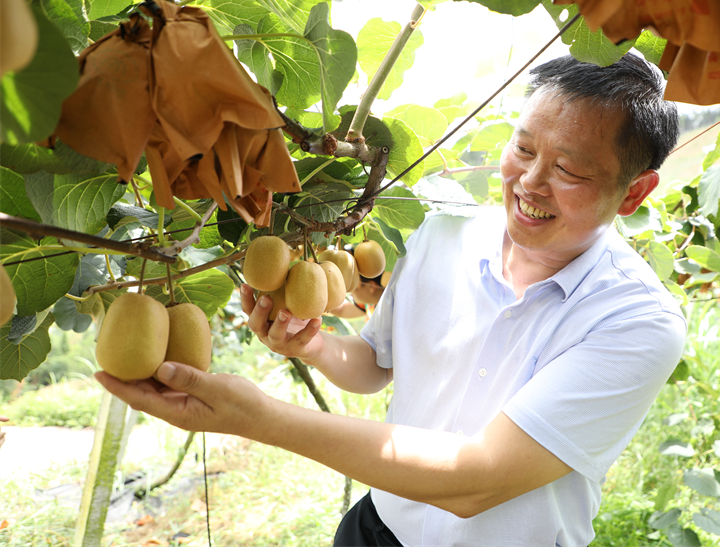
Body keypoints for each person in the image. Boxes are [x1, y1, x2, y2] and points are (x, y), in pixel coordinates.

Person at [96, 52, 685, 546]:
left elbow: (477, 480)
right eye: (524, 150)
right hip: (378, 528)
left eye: (570, 171)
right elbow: (376, 366)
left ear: (633, 192)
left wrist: (259, 419)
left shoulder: (637, 322)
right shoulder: (440, 232)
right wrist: (316, 344)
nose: (530, 183)